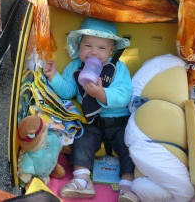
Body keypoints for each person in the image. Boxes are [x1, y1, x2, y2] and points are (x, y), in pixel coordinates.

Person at [43, 17, 138, 202]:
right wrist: (53, 76)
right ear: (79, 46)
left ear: (111, 51)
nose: (94, 53)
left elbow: (124, 95)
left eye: (102, 48)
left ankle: (128, 186)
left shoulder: (118, 68)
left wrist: (102, 94)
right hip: (90, 122)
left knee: (130, 145)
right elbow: (68, 91)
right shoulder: (74, 67)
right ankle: (82, 179)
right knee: (81, 139)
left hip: (119, 121)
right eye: (88, 46)